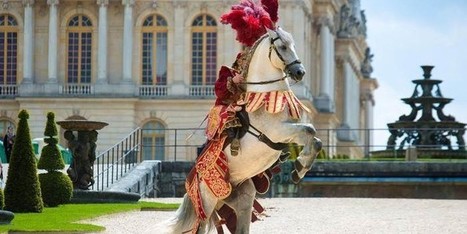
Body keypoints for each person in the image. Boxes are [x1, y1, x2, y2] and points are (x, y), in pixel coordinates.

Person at [205, 52, 247, 156]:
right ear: (239, 61)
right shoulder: (228, 72)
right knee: (227, 114)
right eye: (244, 61)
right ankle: (233, 141)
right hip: (224, 105)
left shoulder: (250, 75)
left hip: (242, 105)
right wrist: (232, 80)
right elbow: (219, 91)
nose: (246, 64)